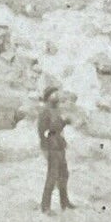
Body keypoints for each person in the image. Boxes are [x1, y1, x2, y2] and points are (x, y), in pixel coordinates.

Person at [37, 85, 73, 213]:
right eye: (53, 94)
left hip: (60, 145)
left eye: (56, 93)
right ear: (48, 97)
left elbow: (58, 127)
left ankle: (65, 203)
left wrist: (65, 122)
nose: (56, 96)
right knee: (52, 176)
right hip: (51, 147)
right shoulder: (45, 111)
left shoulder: (56, 110)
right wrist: (45, 149)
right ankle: (45, 207)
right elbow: (42, 131)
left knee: (64, 174)